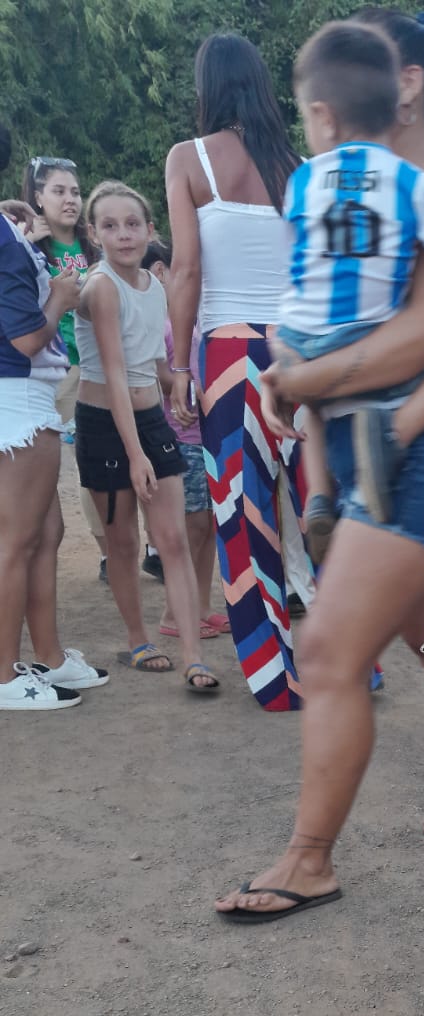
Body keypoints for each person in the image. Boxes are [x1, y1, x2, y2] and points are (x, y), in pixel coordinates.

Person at [213, 5, 424, 920]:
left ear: (406, 83)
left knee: (330, 648)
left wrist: (299, 376)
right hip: (408, 449)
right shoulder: (375, 184)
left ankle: (310, 858)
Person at [276, 19, 424, 544]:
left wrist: (291, 374)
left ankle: (320, 491)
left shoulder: (306, 180)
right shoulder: (414, 183)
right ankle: (376, 445)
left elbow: (299, 267)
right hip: (385, 399)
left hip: (306, 348)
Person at [165, 32, 314, 711]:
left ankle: (276, 680)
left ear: (206, 88)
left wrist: (178, 365)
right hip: (301, 352)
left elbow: (187, 268)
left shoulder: (188, 159)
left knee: (245, 512)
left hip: (228, 352)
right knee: (321, 508)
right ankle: (353, 662)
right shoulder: (298, 165)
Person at [74, 181, 219, 694]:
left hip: (153, 421)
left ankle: (192, 656)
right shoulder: (101, 287)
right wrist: (135, 453)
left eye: (132, 224)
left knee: (175, 537)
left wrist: (179, 385)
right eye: (109, 226)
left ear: (150, 229)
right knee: (123, 540)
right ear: (94, 234)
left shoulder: (154, 287)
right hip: (104, 424)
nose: (123, 234)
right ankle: (138, 640)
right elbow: (113, 373)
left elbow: (151, 362)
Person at [0, 200, 107, 709]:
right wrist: (61, 298)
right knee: (16, 541)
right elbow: (26, 338)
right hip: (17, 393)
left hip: (24, 395)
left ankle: (49, 655)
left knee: (46, 533)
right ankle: (4, 676)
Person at [18, 155, 113, 578]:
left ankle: (111, 553)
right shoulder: (26, 248)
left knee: (95, 463)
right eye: (58, 191)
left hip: (95, 365)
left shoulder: (95, 244)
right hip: (47, 372)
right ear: (37, 197)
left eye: (75, 191)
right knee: (40, 469)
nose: (70, 199)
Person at [142, 238, 226, 642]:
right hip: (182, 438)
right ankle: (174, 613)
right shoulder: (168, 325)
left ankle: (202, 605)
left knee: (207, 525)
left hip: (205, 438)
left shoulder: (197, 324)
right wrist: (183, 386)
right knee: (192, 526)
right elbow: (157, 369)